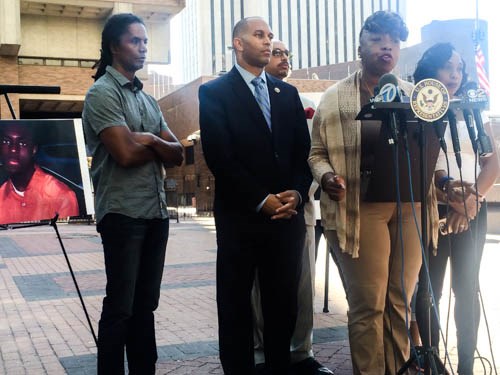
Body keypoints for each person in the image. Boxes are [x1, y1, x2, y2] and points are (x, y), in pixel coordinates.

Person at [308, 10, 438, 374]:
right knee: (369, 304)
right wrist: (327, 176)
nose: (387, 47)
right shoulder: (333, 99)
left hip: (409, 206)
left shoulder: (416, 96)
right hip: (358, 207)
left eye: (395, 42)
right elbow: (316, 153)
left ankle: (396, 369)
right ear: (360, 46)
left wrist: (443, 181)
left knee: (401, 301)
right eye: (378, 39)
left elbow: (431, 151)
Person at [199, 17, 312, 375]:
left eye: (270, 36)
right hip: (241, 220)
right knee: (235, 307)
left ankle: (280, 368)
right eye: (259, 35)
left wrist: (296, 192)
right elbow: (220, 157)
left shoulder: (287, 93)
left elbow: (301, 154)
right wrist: (262, 199)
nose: (267, 42)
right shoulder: (215, 92)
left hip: (287, 221)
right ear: (238, 43)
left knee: (283, 307)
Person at [82, 13, 183, 374]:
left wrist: (151, 139)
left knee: (145, 306)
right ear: (114, 46)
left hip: (155, 214)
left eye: (145, 42)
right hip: (123, 214)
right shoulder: (101, 93)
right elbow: (124, 155)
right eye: (135, 41)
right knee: (121, 306)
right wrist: (155, 144)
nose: (142, 48)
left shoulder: (149, 101)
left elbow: (179, 154)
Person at [414, 42, 499, 375]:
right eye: (448, 67)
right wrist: (451, 201)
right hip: (433, 211)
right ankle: (433, 362)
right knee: (429, 289)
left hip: (473, 211)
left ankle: (466, 364)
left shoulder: (472, 109)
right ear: (431, 69)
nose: (455, 74)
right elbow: (424, 163)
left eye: (460, 68)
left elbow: (492, 164)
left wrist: (471, 202)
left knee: (467, 287)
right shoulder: (420, 106)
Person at [250, 39, 332, 375]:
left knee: (302, 284)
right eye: (277, 53)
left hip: (300, 207)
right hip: (260, 209)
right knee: (258, 288)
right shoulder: (247, 101)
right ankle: (260, 353)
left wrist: (301, 193)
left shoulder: (305, 102)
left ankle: (301, 352)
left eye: (287, 54)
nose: (284, 58)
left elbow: (313, 153)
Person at [0, 123, 79, 224]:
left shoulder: (61, 195)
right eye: (6, 141)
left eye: (22, 143)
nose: (13, 149)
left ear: (33, 149)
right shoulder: (1, 196)